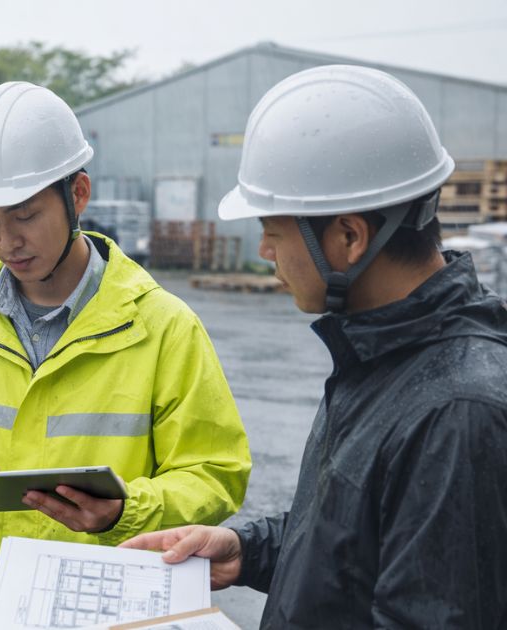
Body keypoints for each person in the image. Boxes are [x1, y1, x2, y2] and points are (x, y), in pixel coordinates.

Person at [120, 65, 507, 628]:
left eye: (273, 232)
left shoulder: (455, 414)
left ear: (349, 237)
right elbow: (353, 545)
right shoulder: (385, 353)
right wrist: (246, 550)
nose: (265, 251)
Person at [0, 81, 252, 629]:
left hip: (106, 610)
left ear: (77, 194)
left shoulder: (163, 327)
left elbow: (215, 474)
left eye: (25, 215)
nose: (7, 242)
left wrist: (128, 510)